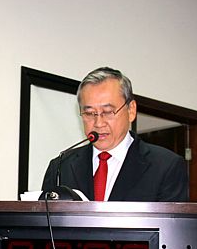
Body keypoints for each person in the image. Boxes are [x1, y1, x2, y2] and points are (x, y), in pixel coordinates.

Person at [41, 67, 188, 202]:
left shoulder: (165, 166)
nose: (98, 123)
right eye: (89, 113)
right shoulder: (61, 167)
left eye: (108, 112)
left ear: (131, 110)